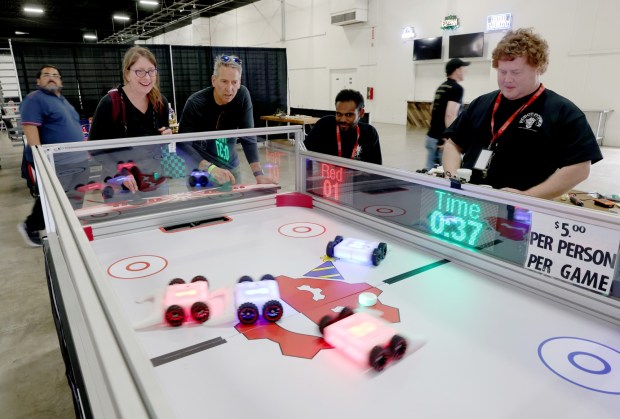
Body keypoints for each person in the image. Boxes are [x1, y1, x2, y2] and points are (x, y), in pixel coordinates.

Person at [442, 28, 602, 199]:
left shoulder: (563, 112)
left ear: (538, 68)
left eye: (516, 72)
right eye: (502, 72)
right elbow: (453, 144)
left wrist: (528, 197)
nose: (507, 79)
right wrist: (453, 179)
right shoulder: (481, 103)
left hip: (524, 210)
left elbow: (580, 168)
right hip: (470, 201)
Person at [179, 54, 275, 185]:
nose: (229, 89)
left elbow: (248, 136)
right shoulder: (195, 103)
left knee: (234, 205)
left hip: (231, 168)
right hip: (201, 170)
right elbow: (183, 144)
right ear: (214, 80)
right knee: (205, 205)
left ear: (239, 82)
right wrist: (211, 168)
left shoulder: (242, 96)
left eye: (234, 82)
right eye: (224, 81)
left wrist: (258, 174)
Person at [18, 65, 86, 247]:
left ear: (61, 81)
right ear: (38, 80)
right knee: (51, 199)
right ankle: (30, 226)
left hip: (78, 160)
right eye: (46, 75)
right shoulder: (34, 100)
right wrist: (41, 162)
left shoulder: (63, 101)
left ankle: (70, 228)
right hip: (56, 162)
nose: (51, 78)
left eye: (55, 75)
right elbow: (31, 133)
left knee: (75, 197)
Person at [88, 46, 172, 192]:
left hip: (154, 180)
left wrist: (165, 137)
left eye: (151, 71)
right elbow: (94, 148)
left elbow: (158, 145)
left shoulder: (160, 102)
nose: (147, 77)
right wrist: (120, 172)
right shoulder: (109, 102)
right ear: (127, 74)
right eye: (139, 71)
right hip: (120, 184)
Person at [304, 89, 382, 164]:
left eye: (349, 115)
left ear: (361, 113)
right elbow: (303, 154)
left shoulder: (369, 133)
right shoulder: (324, 126)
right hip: (327, 176)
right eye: (339, 114)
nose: (343, 120)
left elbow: (376, 171)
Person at [425, 58, 469, 170]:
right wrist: (448, 138)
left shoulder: (441, 87)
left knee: (429, 171)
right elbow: (450, 114)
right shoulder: (457, 88)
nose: (465, 71)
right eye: (463, 68)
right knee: (444, 173)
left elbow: (432, 109)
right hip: (442, 139)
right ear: (457, 70)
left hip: (431, 136)